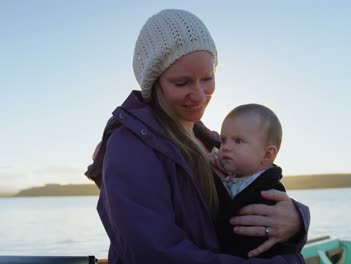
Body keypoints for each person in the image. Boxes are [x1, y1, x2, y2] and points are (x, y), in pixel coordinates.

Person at [85, 9, 310, 263]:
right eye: (182, 83)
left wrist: (297, 220)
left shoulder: (213, 142)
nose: (200, 96)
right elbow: (154, 254)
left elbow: (249, 200)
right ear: (153, 83)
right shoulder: (130, 147)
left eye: (208, 78)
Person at [211, 104, 297, 258]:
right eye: (223, 140)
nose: (225, 147)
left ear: (267, 154)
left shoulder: (270, 192)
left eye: (238, 141)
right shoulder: (231, 179)